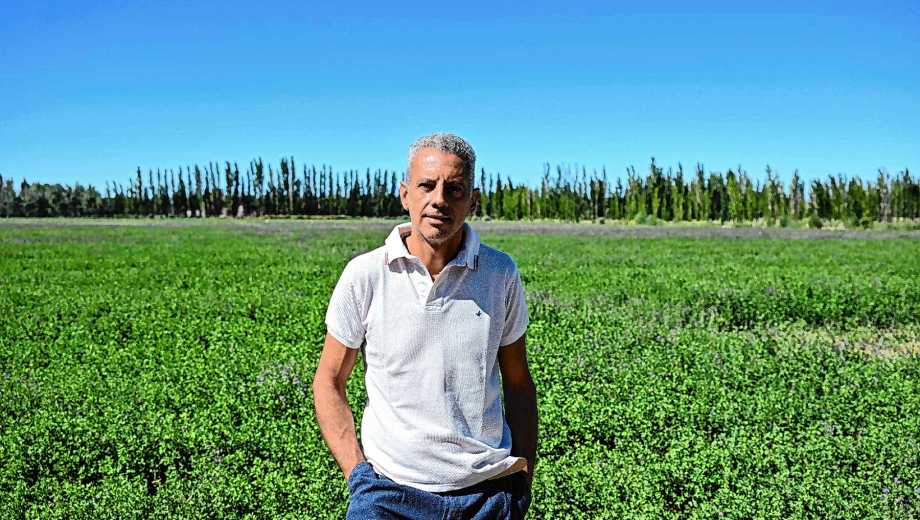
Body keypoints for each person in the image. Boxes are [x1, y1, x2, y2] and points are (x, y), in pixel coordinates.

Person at [312, 132, 538, 519]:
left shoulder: (500, 273)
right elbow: (328, 380)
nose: (439, 200)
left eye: (455, 189)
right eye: (427, 185)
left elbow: (518, 382)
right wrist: (358, 475)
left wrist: (522, 480)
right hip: (388, 494)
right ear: (405, 194)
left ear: (473, 200)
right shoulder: (365, 275)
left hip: (486, 497)